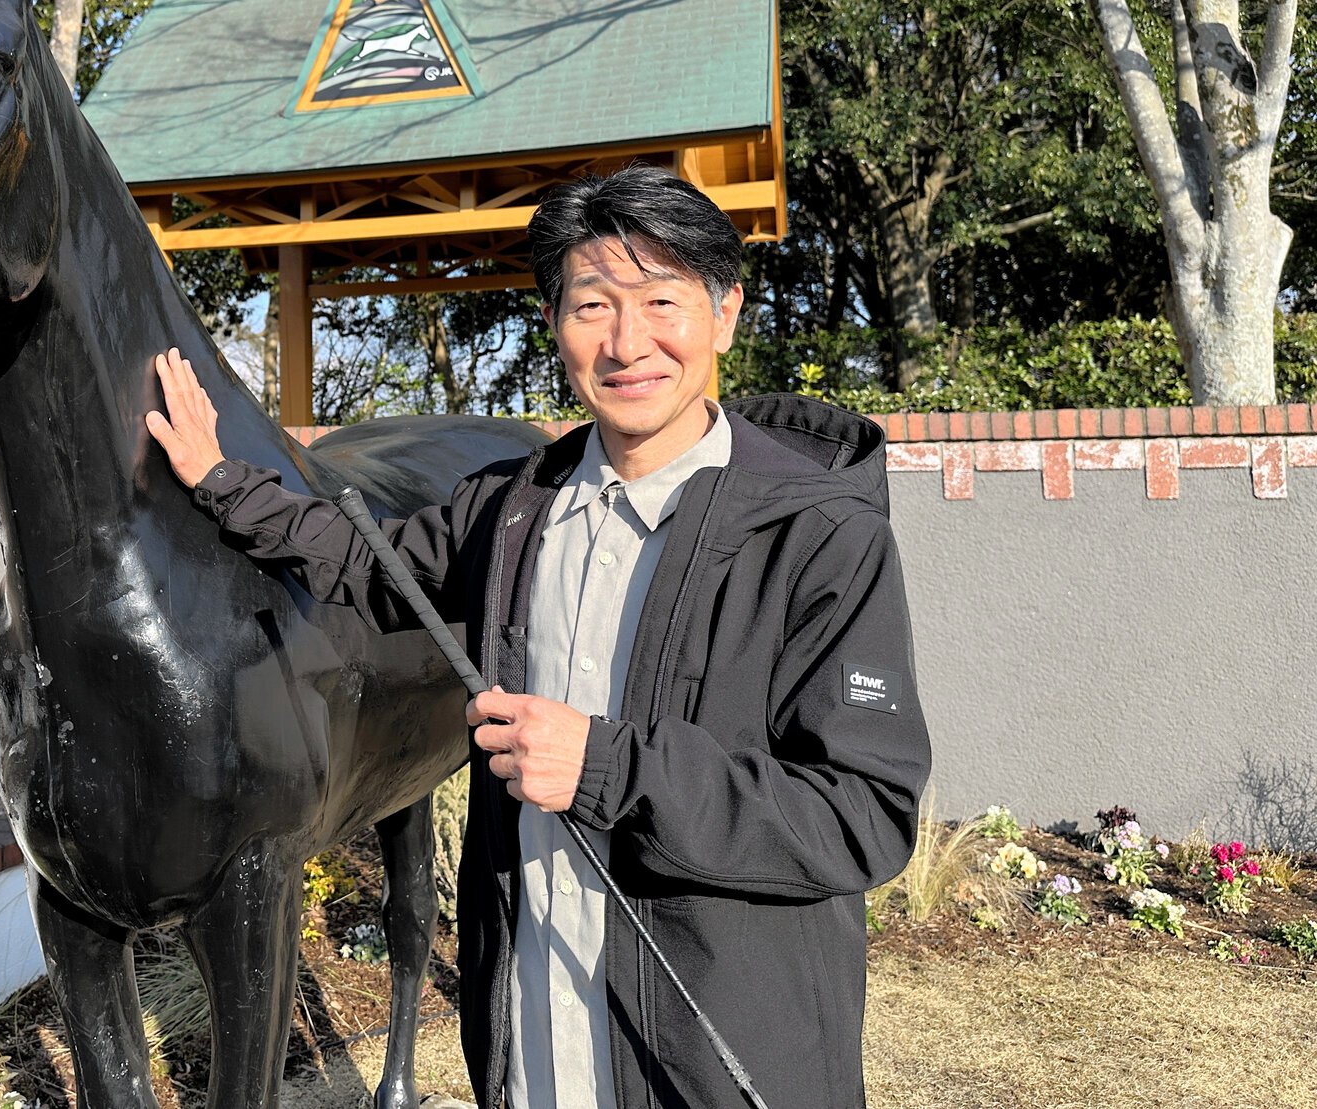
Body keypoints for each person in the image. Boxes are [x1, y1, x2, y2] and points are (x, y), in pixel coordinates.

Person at [145, 163, 931, 1109]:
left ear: (725, 312)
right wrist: (220, 480)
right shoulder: (517, 508)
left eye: (660, 300)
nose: (627, 340)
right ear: (556, 325)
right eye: (591, 303)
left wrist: (608, 767)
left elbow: (861, 815)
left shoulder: (818, 536)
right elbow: (370, 563)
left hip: (715, 1060)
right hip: (533, 1037)